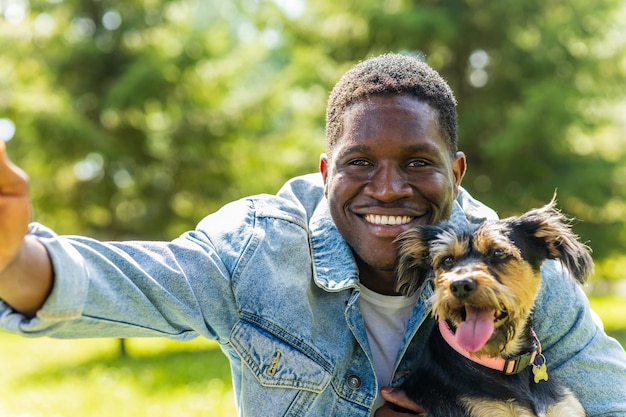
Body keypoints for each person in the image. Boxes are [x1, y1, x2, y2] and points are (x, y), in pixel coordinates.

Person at [0, 53, 625, 417]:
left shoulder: (513, 267)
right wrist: (12, 259)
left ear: (455, 173)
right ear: (326, 172)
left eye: (416, 162)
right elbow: (129, 285)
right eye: (359, 163)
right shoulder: (254, 253)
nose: (387, 189)